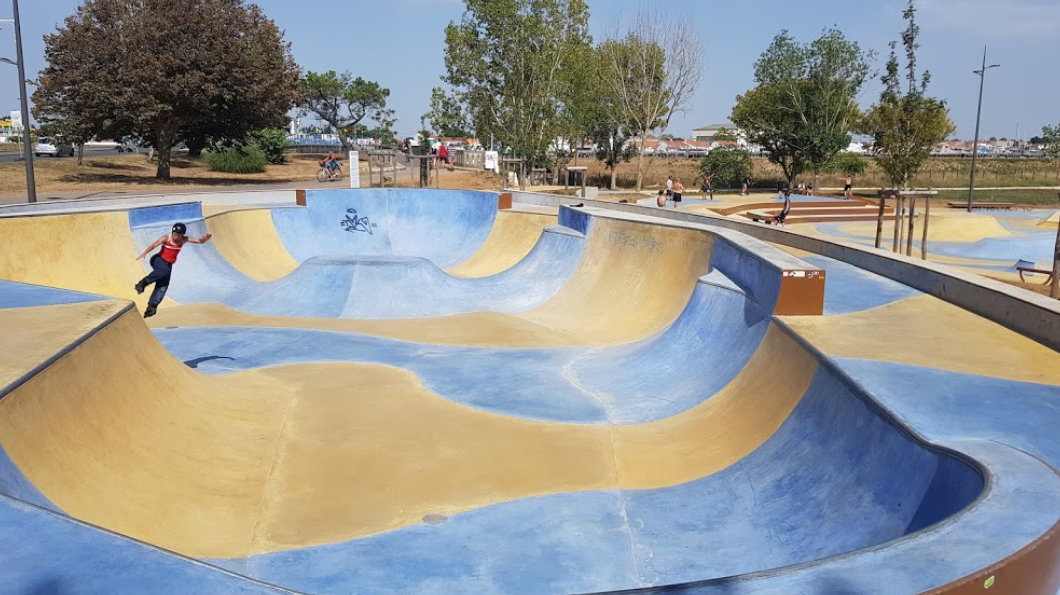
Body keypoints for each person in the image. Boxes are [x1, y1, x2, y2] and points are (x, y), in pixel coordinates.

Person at [134, 222, 212, 318]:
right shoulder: (166, 238)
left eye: (179, 235)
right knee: (164, 271)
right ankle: (142, 283)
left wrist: (204, 240)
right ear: (173, 232)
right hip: (158, 260)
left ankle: (151, 307)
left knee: (163, 286)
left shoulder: (184, 239)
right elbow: (154, 245)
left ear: (182, 235)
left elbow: (199, 241)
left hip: (168, 265)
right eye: (175, 234)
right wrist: (145, 253)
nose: (176, 237)